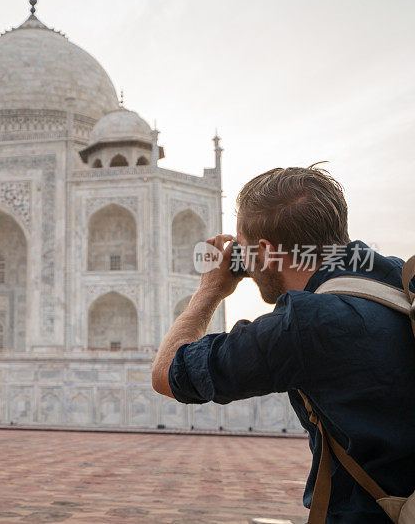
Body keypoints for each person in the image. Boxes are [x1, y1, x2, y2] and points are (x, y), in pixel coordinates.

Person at [151, 166, 415, 523]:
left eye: (244, 250)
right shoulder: (398, 277)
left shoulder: (305, 324)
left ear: (264, 250)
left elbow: (167, 373)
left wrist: (209, 289)